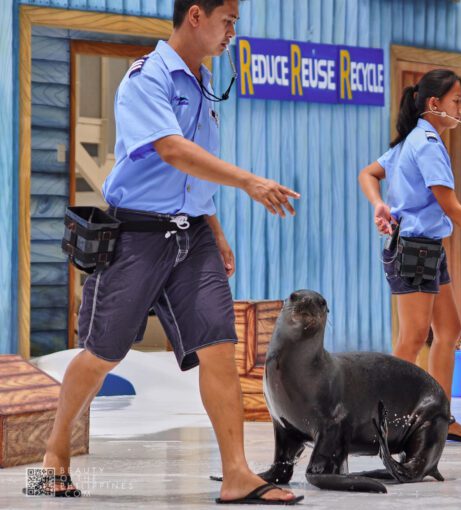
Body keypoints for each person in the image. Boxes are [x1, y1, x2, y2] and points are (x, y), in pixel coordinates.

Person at [33, 1, 302, 504]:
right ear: (196, 16)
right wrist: (247, 181)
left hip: (193, 236)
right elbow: (172, 150)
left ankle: (238, 475)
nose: (232, 33)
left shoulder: (201, 83)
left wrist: (215, 227)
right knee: (102, 354)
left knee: (219, 346)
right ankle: (53, 455)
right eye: (228, 21)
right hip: (136, 234)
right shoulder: (146, 78)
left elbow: (191, 171)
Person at [358, 69, 461, 442]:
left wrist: (379, 204)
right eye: (457, 101)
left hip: (429, 249)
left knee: (448, 331)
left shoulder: (411, 141)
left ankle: (439, 417)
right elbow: (451, 207)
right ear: (435, 104)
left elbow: (369, 174)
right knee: (412, 339)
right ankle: (387, 422)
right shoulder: (426, 143)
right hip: (414, 250)